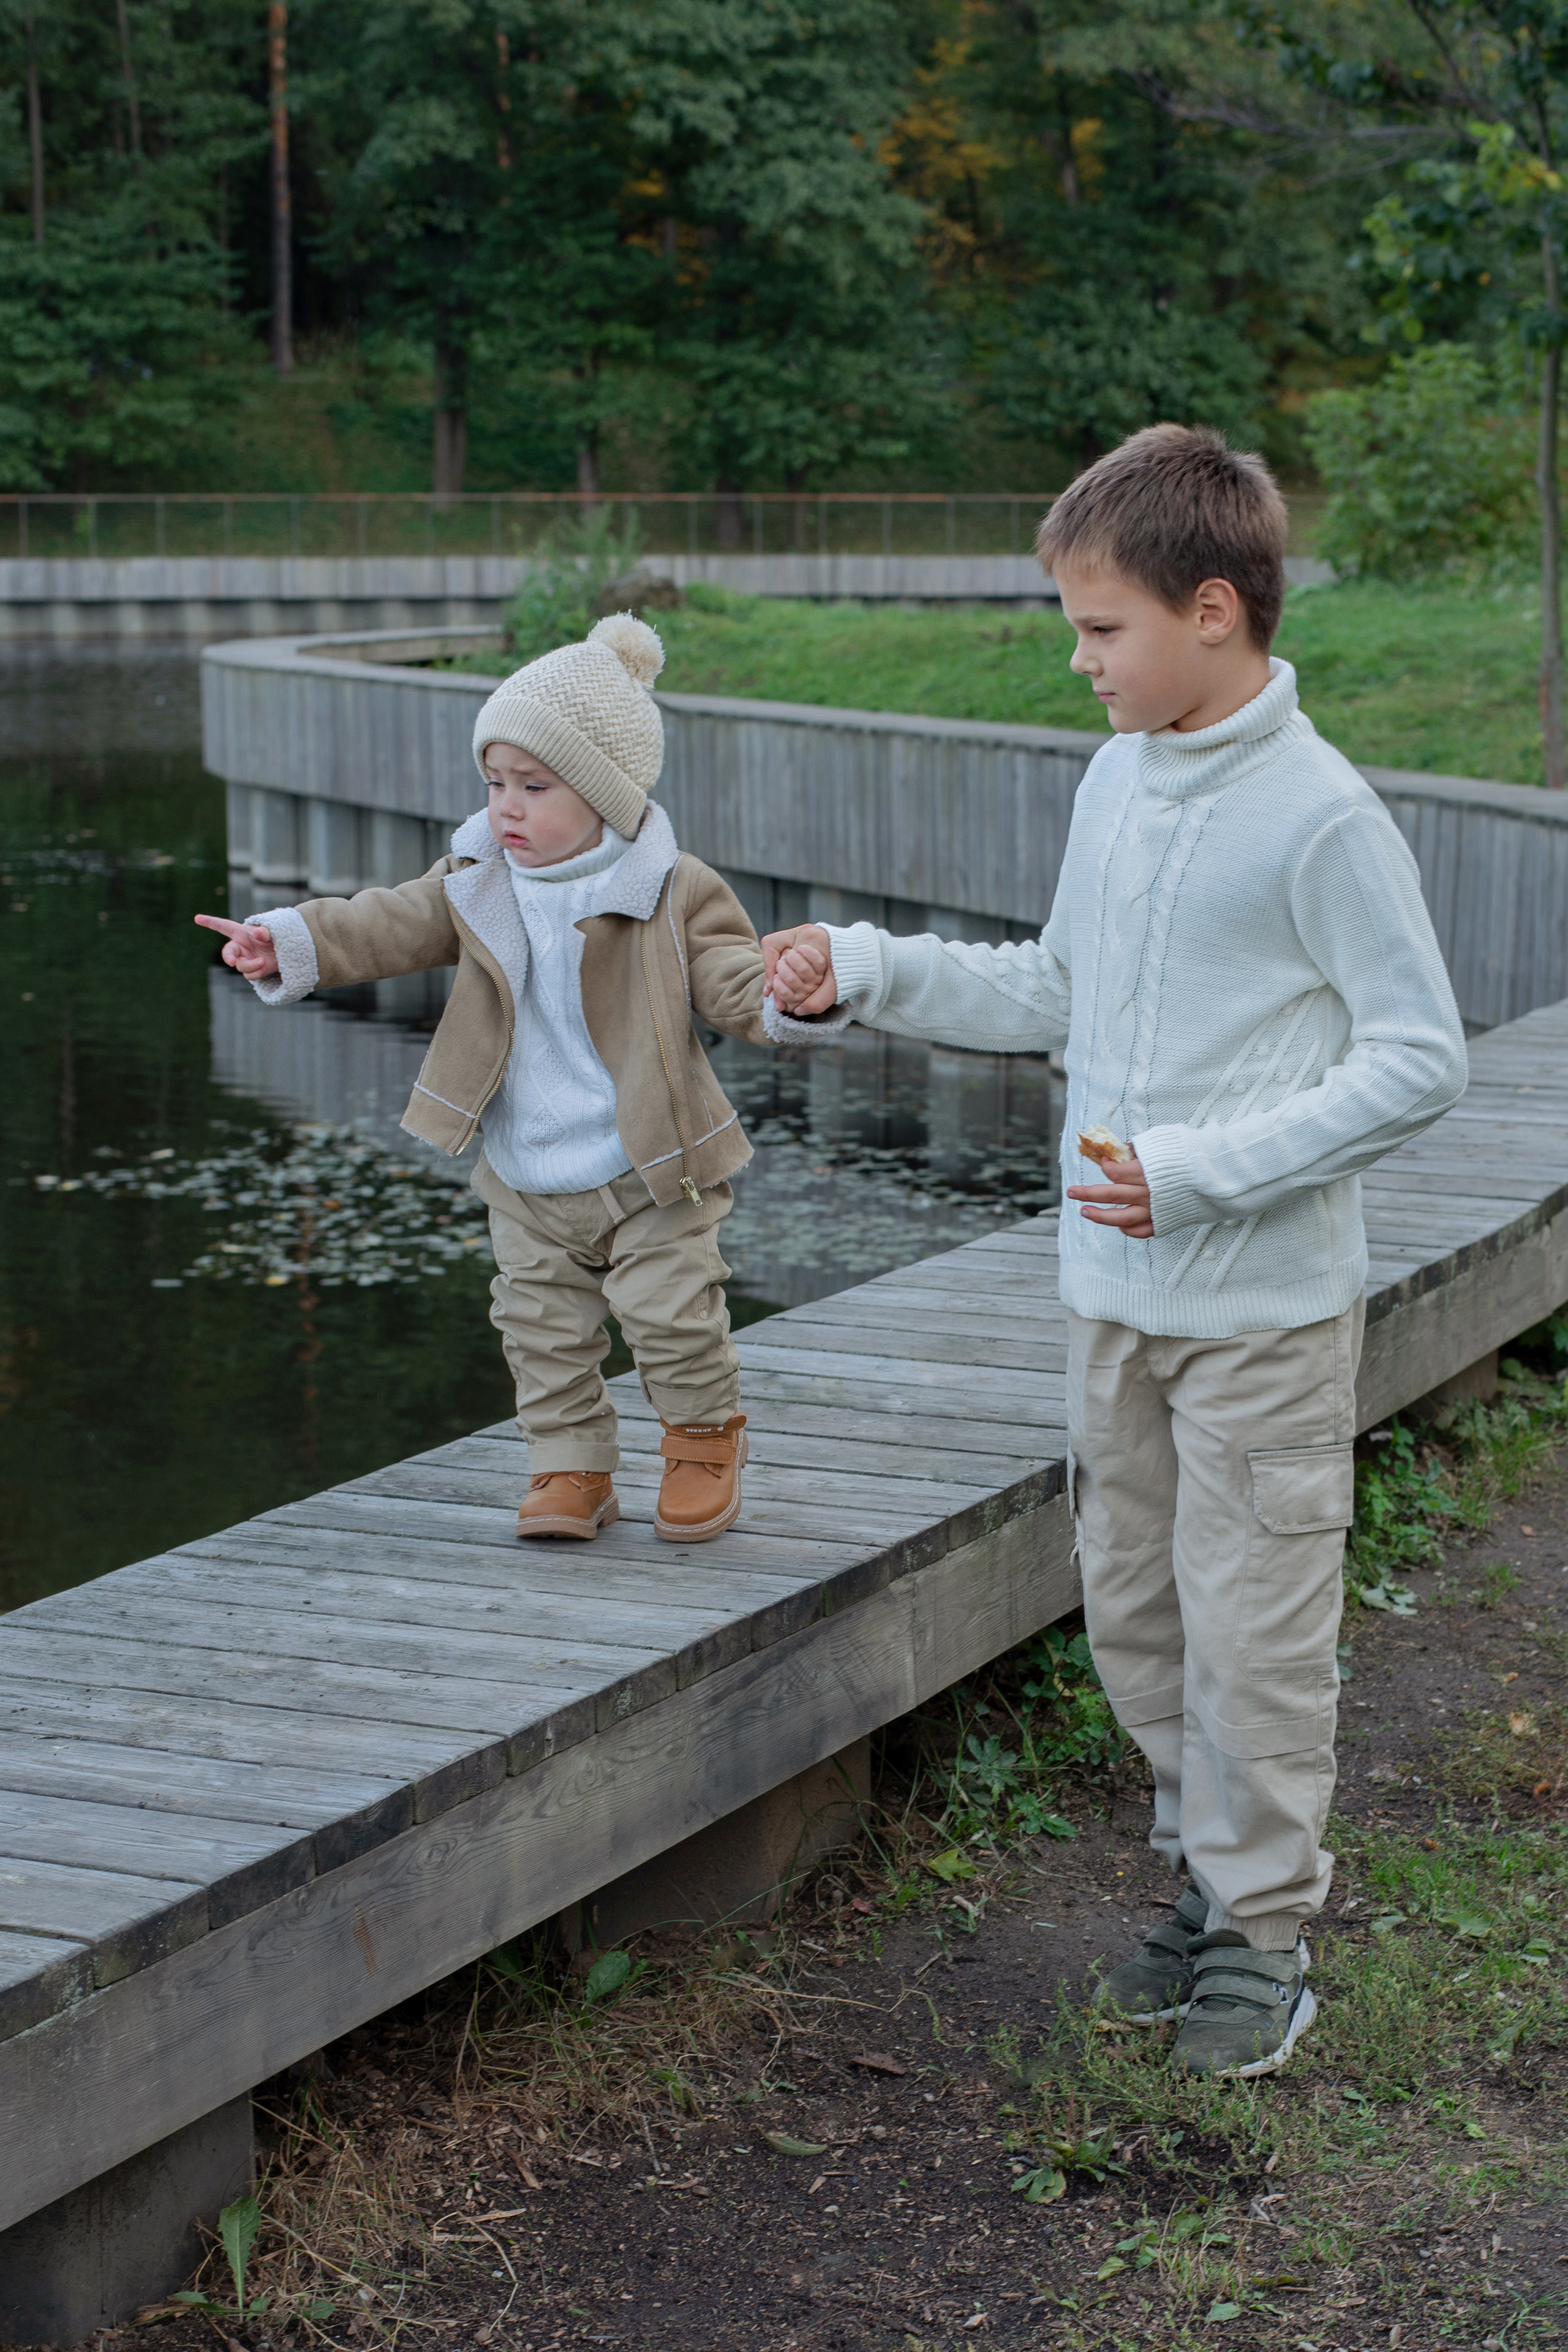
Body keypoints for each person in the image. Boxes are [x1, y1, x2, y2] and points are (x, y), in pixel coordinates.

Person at [765, 425, 1467, 2076]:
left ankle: (1266, 1936)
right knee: (1138, 1614)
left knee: (1255, 1625)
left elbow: (1419, 1057)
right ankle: (1204, 1888)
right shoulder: (1117, 779)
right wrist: (859, 969)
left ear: (1213, 610)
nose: (1076, 659)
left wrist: (1200, 1175)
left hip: (1262, 1316)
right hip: (1110, 1302)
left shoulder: (1322, 818)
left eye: (1100, 629)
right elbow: (1054, 996)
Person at [196, 614, 836, 1544]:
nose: (507, 807)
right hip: (524, 1166)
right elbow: (386, 923)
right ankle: (570, 1464)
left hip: (649, 1161)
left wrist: (791, 995)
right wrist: (288, 940)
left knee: (672, 1316)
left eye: (535, 787)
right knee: (539, 1328)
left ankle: (702, 1441)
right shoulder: (477, 878)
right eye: (495, 783)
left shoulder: (669, 889)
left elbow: (732, 979)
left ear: (604, 792)